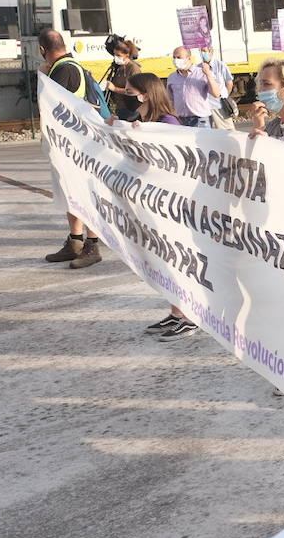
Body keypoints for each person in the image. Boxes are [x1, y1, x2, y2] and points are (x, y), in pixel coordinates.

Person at [117, 73, 200, 339]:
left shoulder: (168, 122)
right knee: (164, 260)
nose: (125, 95)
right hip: (155, 206)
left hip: (173, 208)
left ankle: (190, 316)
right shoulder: (144, 120)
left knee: (177, 262)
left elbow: (174, 165)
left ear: (146, 94)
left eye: (130, 92)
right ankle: (176, 312)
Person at [38, 30, 105, 269]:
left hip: (76, 146)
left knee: (83, 194)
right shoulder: (68, 67)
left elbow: (53, 105)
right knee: (70, 193)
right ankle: (75, 242)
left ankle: (92, 245)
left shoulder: (64, 70)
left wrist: (43, 79)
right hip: (72, 144)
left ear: (42, 49)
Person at [165, 46, 223, 128]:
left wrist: (208, 74)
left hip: (200, 120)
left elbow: (216, 94)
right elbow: (170, 99)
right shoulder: (172, 77)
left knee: (202, 141)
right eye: (174, 57)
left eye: (179, 57)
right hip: (181, 120)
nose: (175, 60)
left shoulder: (202, 73)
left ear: (189, 58)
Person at [100, 36, 143, 122]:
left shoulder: (133, 69)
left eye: (119, 55)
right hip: (120, 107)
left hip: (131, 109)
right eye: (115, 55)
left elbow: (135, 91)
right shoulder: (119, 68)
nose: (116, 57)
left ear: (127, 55)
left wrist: (115, 89)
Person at [200, 41, 236, 129]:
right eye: (201, 51)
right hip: (205, 105)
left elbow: (229, 83)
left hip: (219, 103)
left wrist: (224, 96)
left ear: (211, 51)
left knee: (228, 130)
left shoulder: (220, 65)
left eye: (204, 51)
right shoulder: (198, 67)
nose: (202, 53)